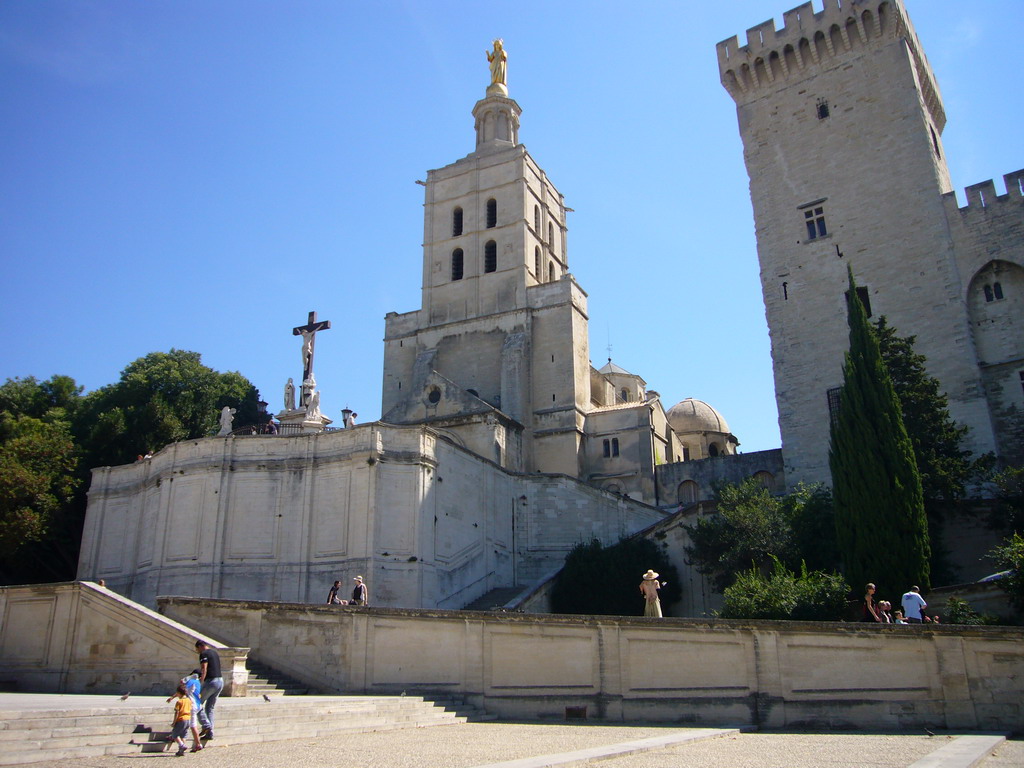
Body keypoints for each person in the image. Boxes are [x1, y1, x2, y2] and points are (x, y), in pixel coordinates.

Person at [194, 639, 223, 741]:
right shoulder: (214, 652)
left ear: (200, 646)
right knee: (210, 707)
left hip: (211, 681)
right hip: (220, 681)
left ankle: (206, 725)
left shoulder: (204, 654)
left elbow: (204, 668)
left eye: (197, 649)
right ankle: (210, 733)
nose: (198, 652)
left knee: (197, 703)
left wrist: (201, 681)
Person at [167, 671, 203, 752]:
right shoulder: (198, 682)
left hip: (192, 705)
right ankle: (189, 743)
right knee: (190, 724)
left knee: (192, 725)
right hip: (197, 704)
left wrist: (172, 697)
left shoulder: (190, 681)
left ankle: (197, 744)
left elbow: (182, 690)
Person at [167, 683, 192, 757]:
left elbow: (177, 713)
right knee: (184, 735)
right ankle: (181, 750)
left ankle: (181, 745)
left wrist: (174, 722)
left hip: (181, 719)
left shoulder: (179, 702)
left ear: (178, 693)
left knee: (175, 734)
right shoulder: (188, 700)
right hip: (188, 719)